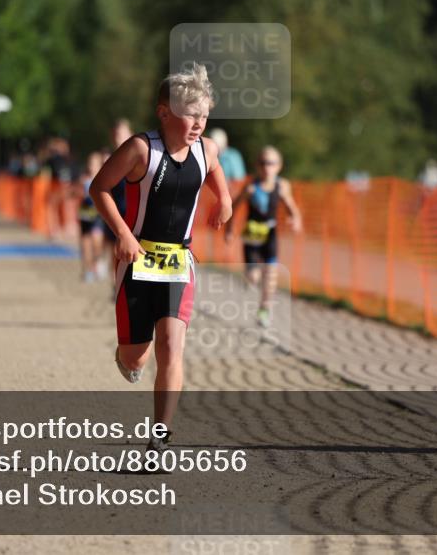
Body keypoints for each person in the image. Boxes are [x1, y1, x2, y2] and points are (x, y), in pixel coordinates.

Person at [90, 64, 231, 453]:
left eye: (204, 114)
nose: (199, 122)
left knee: (172, 346)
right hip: (136, 260)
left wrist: (226, 199)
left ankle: (160, 439)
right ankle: (127, 357)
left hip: (178, 264)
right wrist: (122, 234)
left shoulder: (208, 149)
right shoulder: (140, 149)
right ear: (165, 112)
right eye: (190, 113)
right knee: (138, 357)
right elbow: (99, 187)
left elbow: (215, 169)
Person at [225, 146, 302, 328]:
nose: (267, 167)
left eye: (271, 163)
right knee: (254, 277)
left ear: (279, 166)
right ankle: (250, 278)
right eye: (263, 163)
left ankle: (264, 309)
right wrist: (229, 230)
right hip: (251, 235)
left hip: (270, 234)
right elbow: (234, 207)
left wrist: (295, 220)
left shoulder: (282, 186)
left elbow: (292, 207)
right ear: (257, 166)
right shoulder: (251, 187)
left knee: (271, 275)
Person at [101, 119, 133, 282]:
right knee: (114, 250)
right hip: (116, 211)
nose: (116, 137)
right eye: (115, 134)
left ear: (130, 134)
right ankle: (116, 284)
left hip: (133, 213)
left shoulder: (138, 157)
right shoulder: (109, 159)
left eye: (120, 134)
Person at [77, 152, 106, 282]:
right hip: (85, 214)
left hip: (98, 215)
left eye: (94, 163)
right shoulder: (84, 178)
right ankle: (88, 270)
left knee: (97, 243)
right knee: (85, 244)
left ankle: (97, 263)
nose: (91, 166)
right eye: (90, 163)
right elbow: (76, 193)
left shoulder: (103, 178)